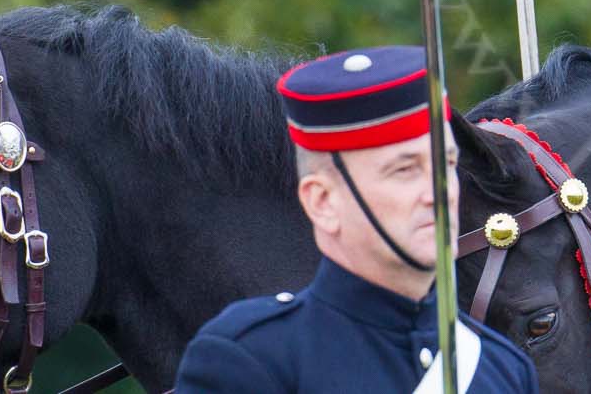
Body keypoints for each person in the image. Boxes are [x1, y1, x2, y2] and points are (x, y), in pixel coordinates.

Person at [175, 45, 537, 392]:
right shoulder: (251, 362)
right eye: (405, 170)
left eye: (448, 165)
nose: (438, 192)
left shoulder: (501, 369)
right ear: (323, 202)